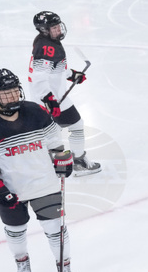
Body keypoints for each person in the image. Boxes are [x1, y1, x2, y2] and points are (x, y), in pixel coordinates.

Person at [0, 69, 76, 272]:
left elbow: (54, 138)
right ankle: (21, 260)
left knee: (56, 229)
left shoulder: (35, 111)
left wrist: (62, 157)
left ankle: (64, 265)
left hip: (44, 184)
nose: (12, 96)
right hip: (12, 189)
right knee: (15, 231)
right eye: (5, 93)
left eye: (14, 91)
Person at [30, 11, 101, 176]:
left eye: (58, 26)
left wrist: (72, 74)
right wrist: (49, 99)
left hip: (55, 96)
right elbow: (38, 77)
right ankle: (76, 163)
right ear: (44, 30)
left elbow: (54, 69)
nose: (58, 30)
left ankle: (71, 160)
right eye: (53, 28)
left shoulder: (48, 42)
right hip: (51, 98)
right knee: (67, 128)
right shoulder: (45, 47)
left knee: (65, 128)